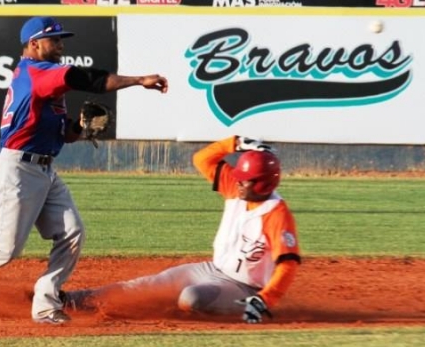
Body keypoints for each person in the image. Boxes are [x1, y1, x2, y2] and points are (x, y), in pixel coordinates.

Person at [0, 16, 169, 324]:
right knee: (6, 249)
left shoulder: (42, 81)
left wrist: (79, 126)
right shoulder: (37, 71)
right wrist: (138, 80)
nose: (61, 45)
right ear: (34, 44)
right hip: (15, 171)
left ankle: (46, 303)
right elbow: (90, 79)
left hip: (43, 170)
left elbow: (64, 134)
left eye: (61, 39)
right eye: (55, 39)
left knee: (72, 232)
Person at [63, 136, 301, 324]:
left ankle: (240, 310)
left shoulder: (276, 214)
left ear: (262, 184)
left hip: (244, 286)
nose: (236, 180)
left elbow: (288, 264)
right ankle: (75, 300)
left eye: (244, 179)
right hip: (210, 269)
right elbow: (202, 159)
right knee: (149, 284)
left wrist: (264, 299)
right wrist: (235, 142)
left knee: (191, 298)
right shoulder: (235, 189)